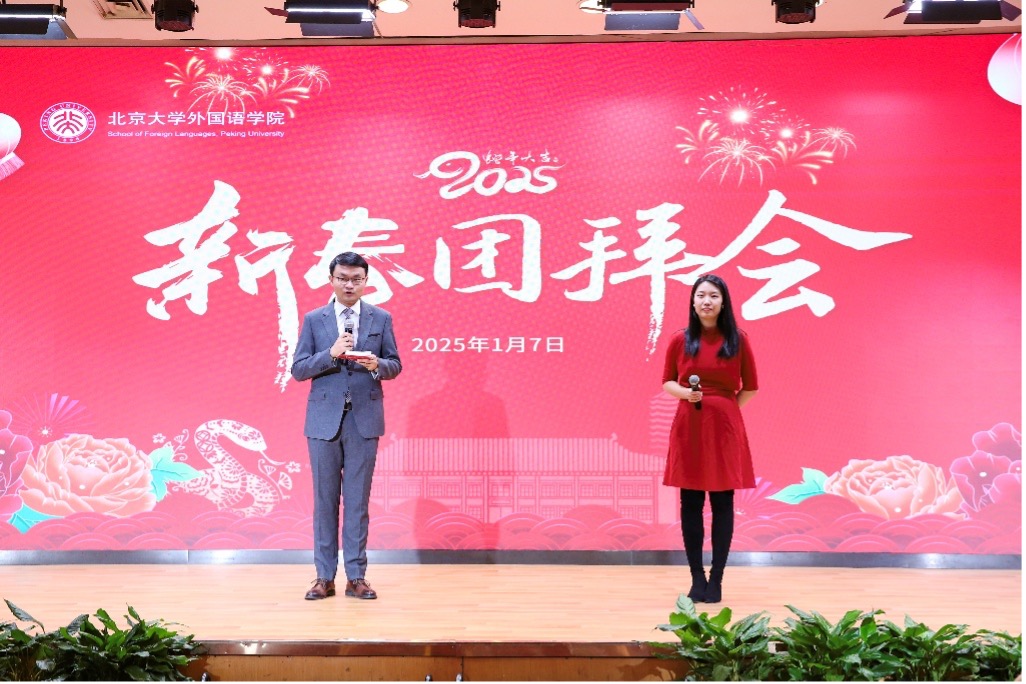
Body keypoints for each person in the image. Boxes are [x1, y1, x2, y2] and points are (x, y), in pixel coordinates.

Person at [291, 252, 402, 601]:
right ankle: (324, 578)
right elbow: (299, 369)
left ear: (366, 281)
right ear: (331, 280)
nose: (349, 285)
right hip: (324, 422)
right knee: (324, 502)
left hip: (363, 421)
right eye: (343, 278)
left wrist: (376, 363)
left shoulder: (381, 318)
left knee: (357, 503)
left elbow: (395, 364)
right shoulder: (315, 320)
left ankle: (357, 577)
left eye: (356, 279)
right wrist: (331, 353)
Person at [661, 274, 758, 604]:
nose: (707, 301)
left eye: (714, 296)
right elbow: (667, 382)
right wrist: (686, 394)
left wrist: (724, 408)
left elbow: (751, 387)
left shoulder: (738, 339)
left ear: (723, 302)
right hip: (689, 424)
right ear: (692, 301)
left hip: (724, 429)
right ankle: (696, 577)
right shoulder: (680, 339)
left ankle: (716, 579)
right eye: (701, 295)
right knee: (690, 502)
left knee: (722, 502)